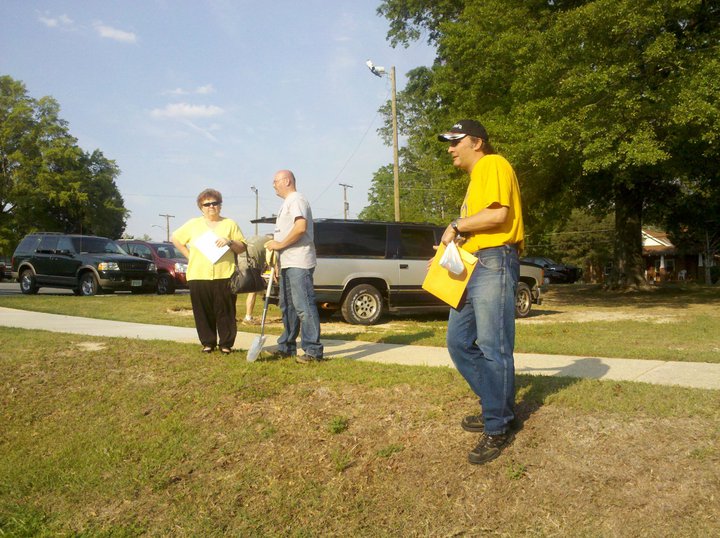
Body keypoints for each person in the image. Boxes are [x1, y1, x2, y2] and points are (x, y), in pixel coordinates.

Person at [437, 119, 524, 465]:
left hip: (494, 261)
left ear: (476, 142)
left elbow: (498, 215)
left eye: (455, 141)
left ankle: (498, 425)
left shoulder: (493, 163)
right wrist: (455, 241)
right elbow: (481, 220)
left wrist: (456, 225)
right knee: (458, 342)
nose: (450, 148)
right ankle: (496, 407)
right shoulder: (477, 179)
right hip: (473, 263)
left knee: (492, 346)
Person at [171, 188, 246, 355]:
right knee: (203, 311)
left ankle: (226, 344)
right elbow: (175, 238)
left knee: (225, 311)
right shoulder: (193, 224)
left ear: (220, 205)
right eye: (207, 204)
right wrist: (189, 255)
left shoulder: (230, 224)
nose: (211, 207)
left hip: (224, 274)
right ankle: (208, 343)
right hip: (198, 274)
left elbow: (241, 248)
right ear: (201, 207)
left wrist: (229, 241)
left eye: (215, 203)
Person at [264, 170, 323, 363]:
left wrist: (279, 245)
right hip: (287, 263)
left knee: (303, 306)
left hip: (299, 262)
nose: (273, 185)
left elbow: (300, 228)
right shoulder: (286, 203)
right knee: (287, 307)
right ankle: (287, 347)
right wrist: (277, 261)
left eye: (275, 181)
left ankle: (313, 351)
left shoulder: (297, 199)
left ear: (286, 181)